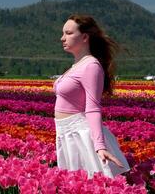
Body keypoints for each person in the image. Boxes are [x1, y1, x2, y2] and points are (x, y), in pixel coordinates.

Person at [53, 14, 130, 179]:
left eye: (68, 33)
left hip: (81, 136)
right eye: (63, 33)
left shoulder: (91, 66)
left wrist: (100, 146)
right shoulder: (77, 65)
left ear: (85, 37)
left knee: (89, 184)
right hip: (65, 133)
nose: (62, 38)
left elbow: (93, 108)